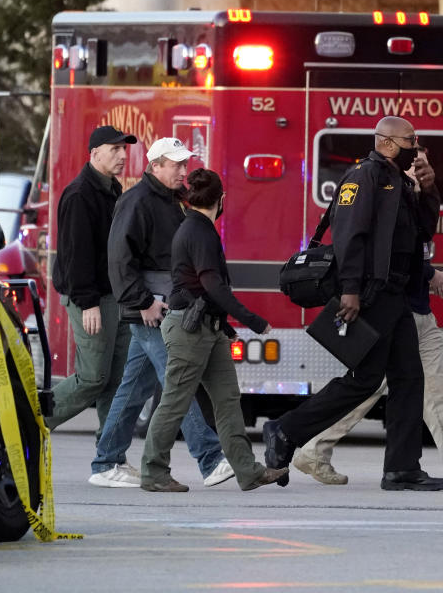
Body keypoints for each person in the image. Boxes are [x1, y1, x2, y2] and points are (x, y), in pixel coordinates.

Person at [263, 116, 443, 491]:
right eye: (412, 141)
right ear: (389, 143)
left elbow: (424, 231)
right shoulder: (363, 177)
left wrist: (428, 188)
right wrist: (349, 289)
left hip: (397, 295)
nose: (418, 147)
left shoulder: (399, 180)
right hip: (371, 293)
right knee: (365, 380)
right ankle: (284, 430)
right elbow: (349, 235)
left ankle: (401, 468)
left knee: (408, 378)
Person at [88, 138, 235, 488]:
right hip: (150, 309)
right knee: (177, 381)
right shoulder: (136, 202)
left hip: (162, 306)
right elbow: (119, 259)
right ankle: (211, 458)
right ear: (156, 166)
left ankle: (106, 462)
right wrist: (143, 303)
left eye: (185, 164)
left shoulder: (173, 201)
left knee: (135, 388)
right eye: (176, 165)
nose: (183, 171)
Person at [292, 252, 443, 487]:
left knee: (438, 390)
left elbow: (412, 257)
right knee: (368, 388)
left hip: (419, 312)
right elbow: (394, 255)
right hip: (395, 314)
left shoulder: (416, 216)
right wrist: (431, 273)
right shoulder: (396, 213)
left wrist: (430, 273)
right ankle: (312, 449)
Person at [140, 168, 287, 492]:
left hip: (208, 327)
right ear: (222, 199)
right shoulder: (199, 232)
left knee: (227, 399)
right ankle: (153, 472)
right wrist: (254, 321)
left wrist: (226, 327)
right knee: (175, 402)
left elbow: (207, 291)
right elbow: (214, 286)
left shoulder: (197, 228)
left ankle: (248, 471)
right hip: (189, 331)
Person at [45, 126, 133, 442]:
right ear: (95, 154)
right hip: (90, 298)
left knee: (118, 378)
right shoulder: (80, 194)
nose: (123, 156)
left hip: (116, 296)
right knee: (93, 377)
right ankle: (35, 419)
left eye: (124, 150)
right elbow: (75, 254)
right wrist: (88, 302)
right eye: (115, 150)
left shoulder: (112, 190)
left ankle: (110, 455)